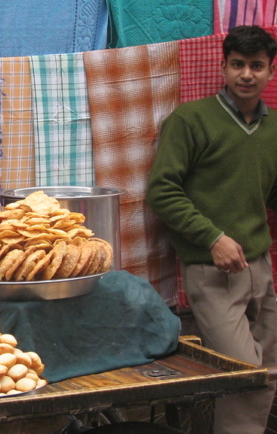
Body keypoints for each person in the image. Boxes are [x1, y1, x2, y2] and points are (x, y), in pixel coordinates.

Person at [147, 25, 277, 434]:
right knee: (246, 382)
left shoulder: (274, 128)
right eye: (237, 64)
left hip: (261, 265)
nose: (246, 75)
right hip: (213, 268)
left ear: (271, 72)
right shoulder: (191, 120)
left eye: (257, 66)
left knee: (269, 375)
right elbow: (162, 191)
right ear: (223, 67)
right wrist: (212, 237)